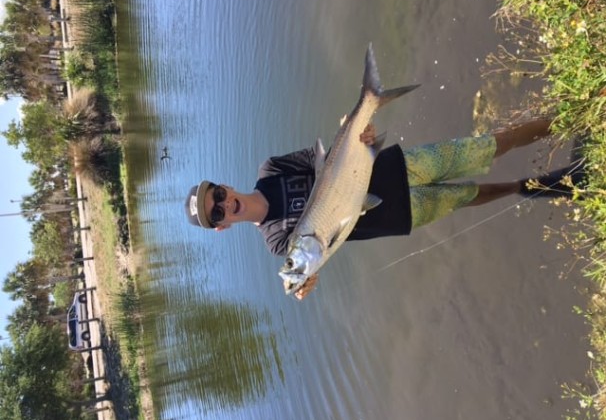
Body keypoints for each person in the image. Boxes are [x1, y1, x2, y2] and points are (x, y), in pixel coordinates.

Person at [185, 117, 580, 299]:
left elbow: (321, 157)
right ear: (222, 227)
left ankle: (572, 116)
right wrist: (304, 281)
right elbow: (313, 256)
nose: (223, 205)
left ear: (225, 185)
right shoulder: (276, 242)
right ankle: (531, 186)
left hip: (395, 165)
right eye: (216, 213)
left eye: (217, 195)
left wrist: (355, 135)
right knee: (466, 196)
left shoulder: (271, 169)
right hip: (398, 214)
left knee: (483, 147)